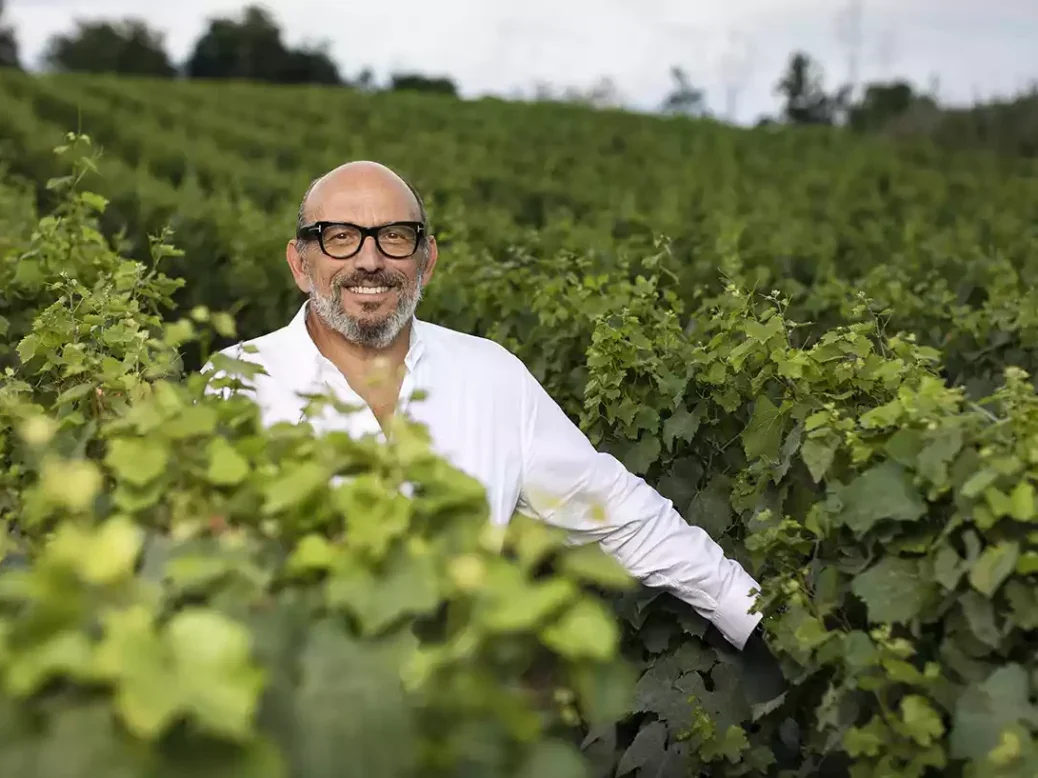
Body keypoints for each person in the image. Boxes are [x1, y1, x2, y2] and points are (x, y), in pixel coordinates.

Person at [208, 161, 765, 651]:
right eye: (339, 237)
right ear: (300, 263)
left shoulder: (492, 376)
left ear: (426, 262)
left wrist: (757, 618)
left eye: (395, 237)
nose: (370, 259)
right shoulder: (236, 385)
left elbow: (619, 517)